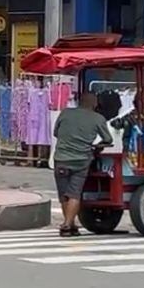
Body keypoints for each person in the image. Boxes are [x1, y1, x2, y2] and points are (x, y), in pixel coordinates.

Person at [52, 92, 115, 237]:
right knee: (74, 193)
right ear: (95, 104)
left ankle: (70, 223)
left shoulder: (65, 113)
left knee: (64, 195)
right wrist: (96, 145)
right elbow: (107, 139)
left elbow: (56, 133)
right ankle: (68, 225)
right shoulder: (98, 118)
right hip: (81, 160)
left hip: (61, 158)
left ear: (79, 102)